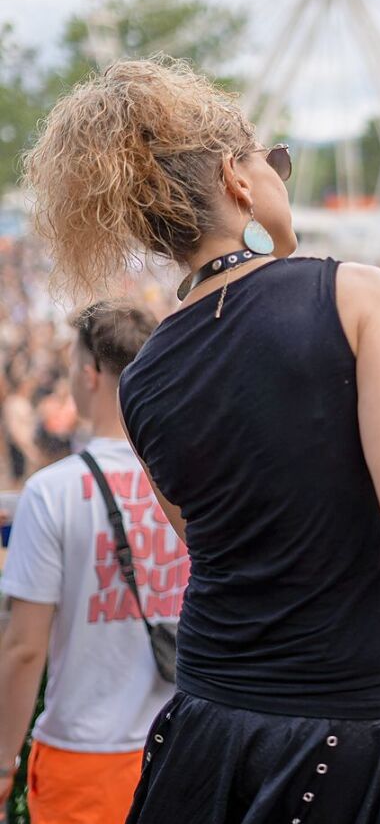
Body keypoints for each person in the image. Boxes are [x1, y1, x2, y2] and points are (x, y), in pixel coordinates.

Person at [21, 57, 380, 824]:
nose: (279, 174)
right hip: (350, 720)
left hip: (213, 720)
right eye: (269, 160)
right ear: (235, 179)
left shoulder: (144, 374)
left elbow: (204, 539)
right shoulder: (352, 291)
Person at [0, 302, 188, 824]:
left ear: (90, 374)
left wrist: (1, 760)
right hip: (184, 750)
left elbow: (23, 646)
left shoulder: (52, 492)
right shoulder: (195, 480)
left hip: (83, 758)